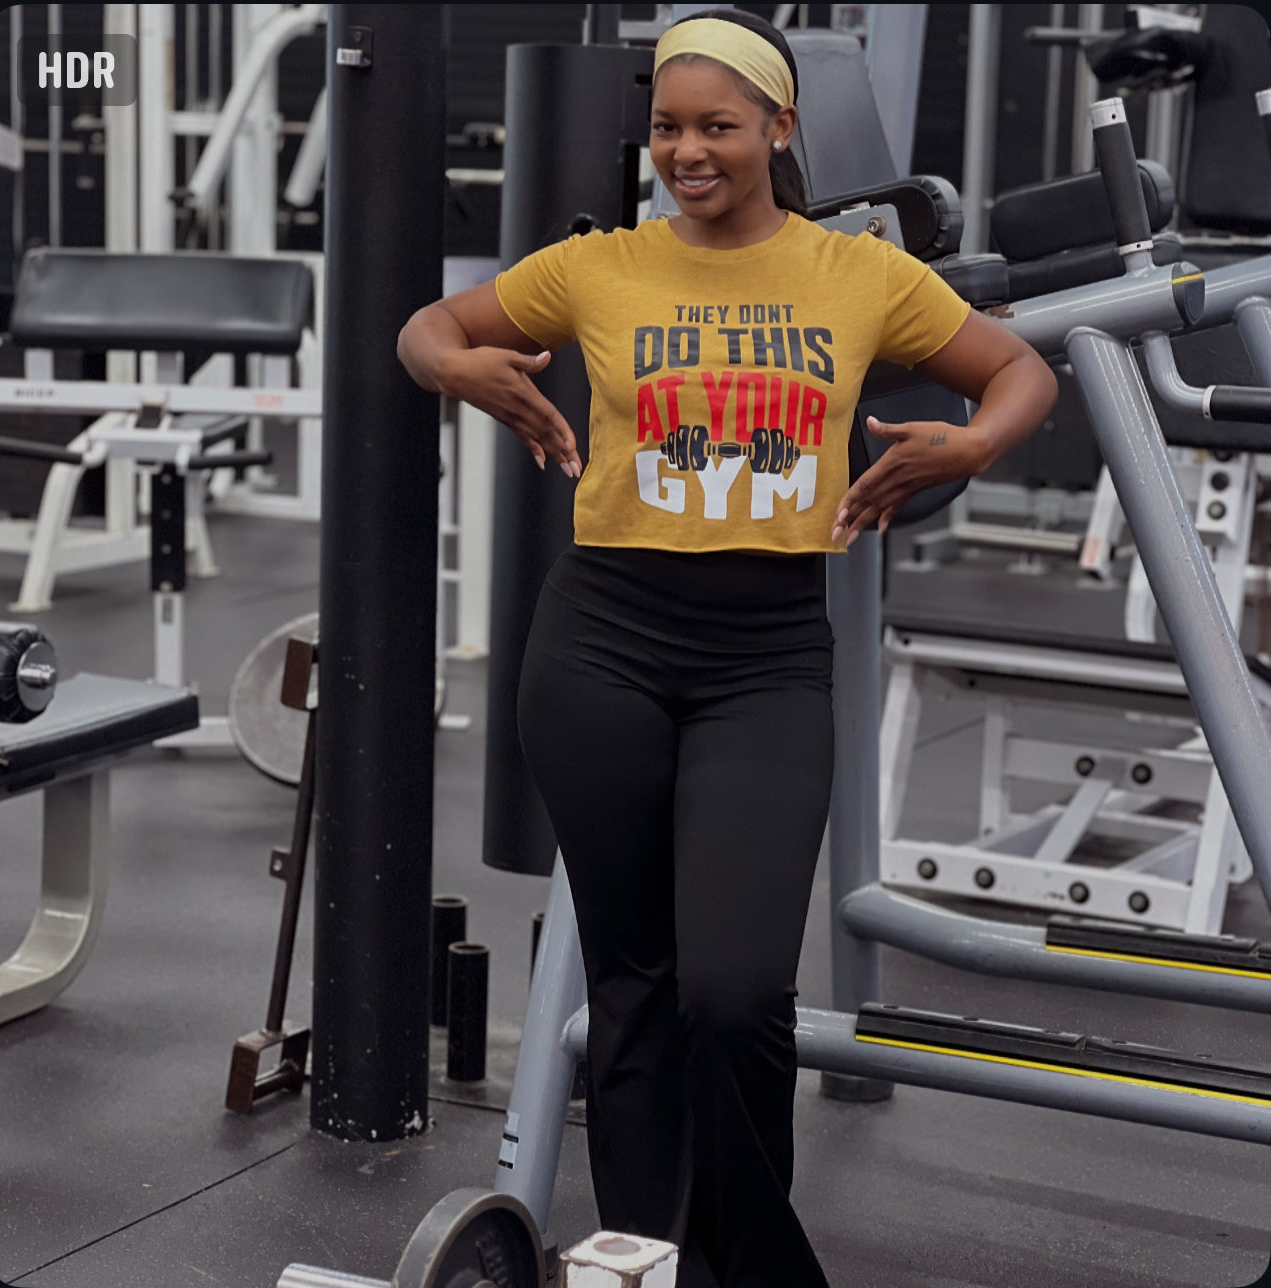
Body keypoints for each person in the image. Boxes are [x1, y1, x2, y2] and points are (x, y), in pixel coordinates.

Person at [398, 10, 1057, 1285]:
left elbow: (1016, 368)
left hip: (765, 655)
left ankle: (752, 1266)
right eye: (666, 128)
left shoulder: (856, 275)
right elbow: (431, 325)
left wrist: (972, 444)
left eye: (715, 126)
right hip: (599, 643)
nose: (686, 152)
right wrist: (459, 371)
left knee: (738, 989)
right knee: (636, 987)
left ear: (777, 127)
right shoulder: (597, 267)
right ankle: (647, 1257)